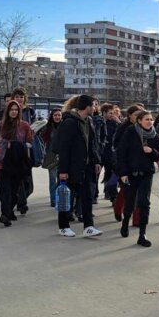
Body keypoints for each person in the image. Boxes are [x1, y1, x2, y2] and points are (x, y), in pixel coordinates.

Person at [52, 94, 104, 238]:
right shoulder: (69, 123)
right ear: (87, 107)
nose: (95, 108)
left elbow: (93, 144)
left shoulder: (89, 121)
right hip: (71, 166)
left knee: (87, 197)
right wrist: (63, 170)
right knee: (66, 196)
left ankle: (88, 226)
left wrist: (96, 161)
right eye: (93, 105)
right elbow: (64, 148)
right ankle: (63, 226)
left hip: (86, 165)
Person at [115, 110, 159, 247]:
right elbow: (121, 152)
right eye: (146, 119)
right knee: (129, 202)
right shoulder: (131, 132)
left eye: (151, 119)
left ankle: (142, 234)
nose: (150, 121)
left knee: (144, 203)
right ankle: (125, 223)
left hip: (146, 173)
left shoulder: (154, 135)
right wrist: (123, 173)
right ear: (139, 121)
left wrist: (151, 151)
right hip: (131, 173)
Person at [0, 100, 35, 227]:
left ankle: (9, 211)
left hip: (17, 163)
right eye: (11, 109)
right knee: (5, 190)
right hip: (2, 162)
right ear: (7, 111)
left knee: (15, 191)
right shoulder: (0, 125)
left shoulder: (24, 126)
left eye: (16, 110)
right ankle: (5, 215)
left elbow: (30, 142)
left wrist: (19, 146)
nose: (14, 112)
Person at [40, 108, 64, 207]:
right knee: (52, 180)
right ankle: (53, 199)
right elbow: (43, 139)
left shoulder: (65, 127)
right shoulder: (47, 128)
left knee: (61, 180)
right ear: (52, 117)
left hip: (63, 157)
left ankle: (60, 199)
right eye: (55, 115)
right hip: (51, 157)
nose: (57, 117)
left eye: (59, 115)